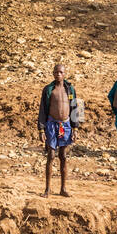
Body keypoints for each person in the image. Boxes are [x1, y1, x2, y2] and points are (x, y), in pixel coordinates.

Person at [38, 64, 80, 197]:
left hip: (66, 125)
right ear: (53, 74)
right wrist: (41, 129)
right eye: (56, 72)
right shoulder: (48, 89)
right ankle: (47, 188)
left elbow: (75, 108)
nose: (58, 74)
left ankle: (63, 188)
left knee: (63, 156)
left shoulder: (70, 89)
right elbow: (42, 109)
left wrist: (75, 128)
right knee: (51, 155)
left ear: (65, 73)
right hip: (51, 124)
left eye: (61, 72)